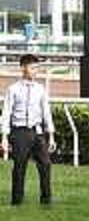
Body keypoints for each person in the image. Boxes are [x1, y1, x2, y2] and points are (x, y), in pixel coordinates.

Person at [1, 54, 56, 206]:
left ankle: (46, 200)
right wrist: (4, 138)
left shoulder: (40, 89)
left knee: (45, 164)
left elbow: (46, 112)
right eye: (32, 68)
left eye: (37, 68)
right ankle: (16, 201)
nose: (35, 71)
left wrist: (51, 135)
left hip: (37, 133)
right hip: (19, 133)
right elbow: (6, 113)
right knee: (19, 167)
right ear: (23, 68)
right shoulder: (13, 89)